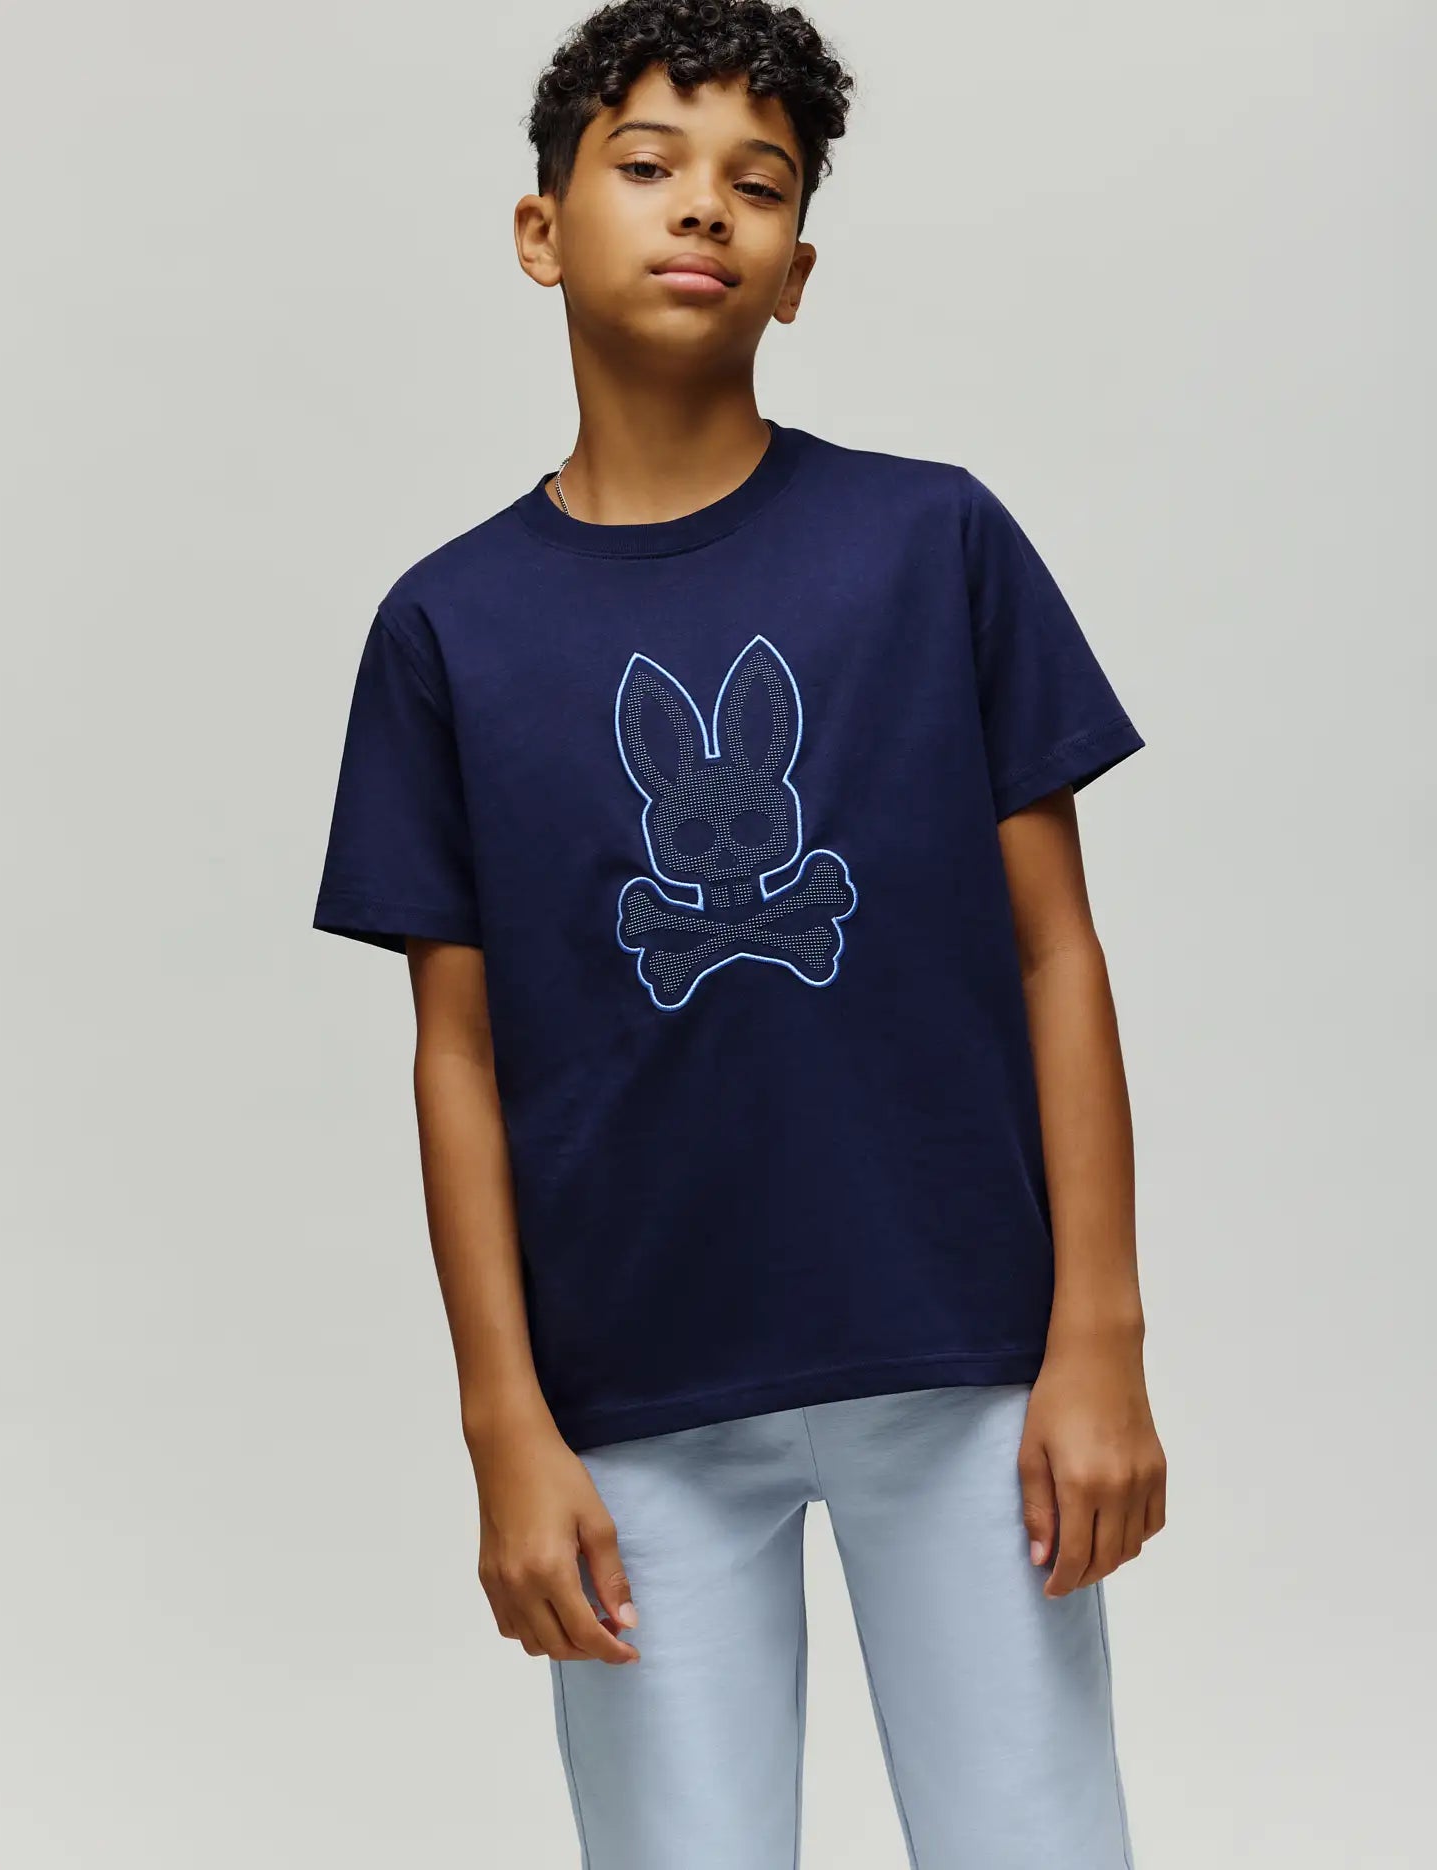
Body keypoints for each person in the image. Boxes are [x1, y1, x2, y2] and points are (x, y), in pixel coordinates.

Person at [311, 3, 1165, 1863]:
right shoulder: (447, 631)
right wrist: (502, 1423)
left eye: (757, 184)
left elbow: (1058, 953)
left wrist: (1099, 1334)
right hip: (631, 1396)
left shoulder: (933, 543)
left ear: (797, 269)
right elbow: (455, 1052)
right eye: (648, 164)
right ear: (541, 229)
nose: (703, 205)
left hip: (962, 1354)